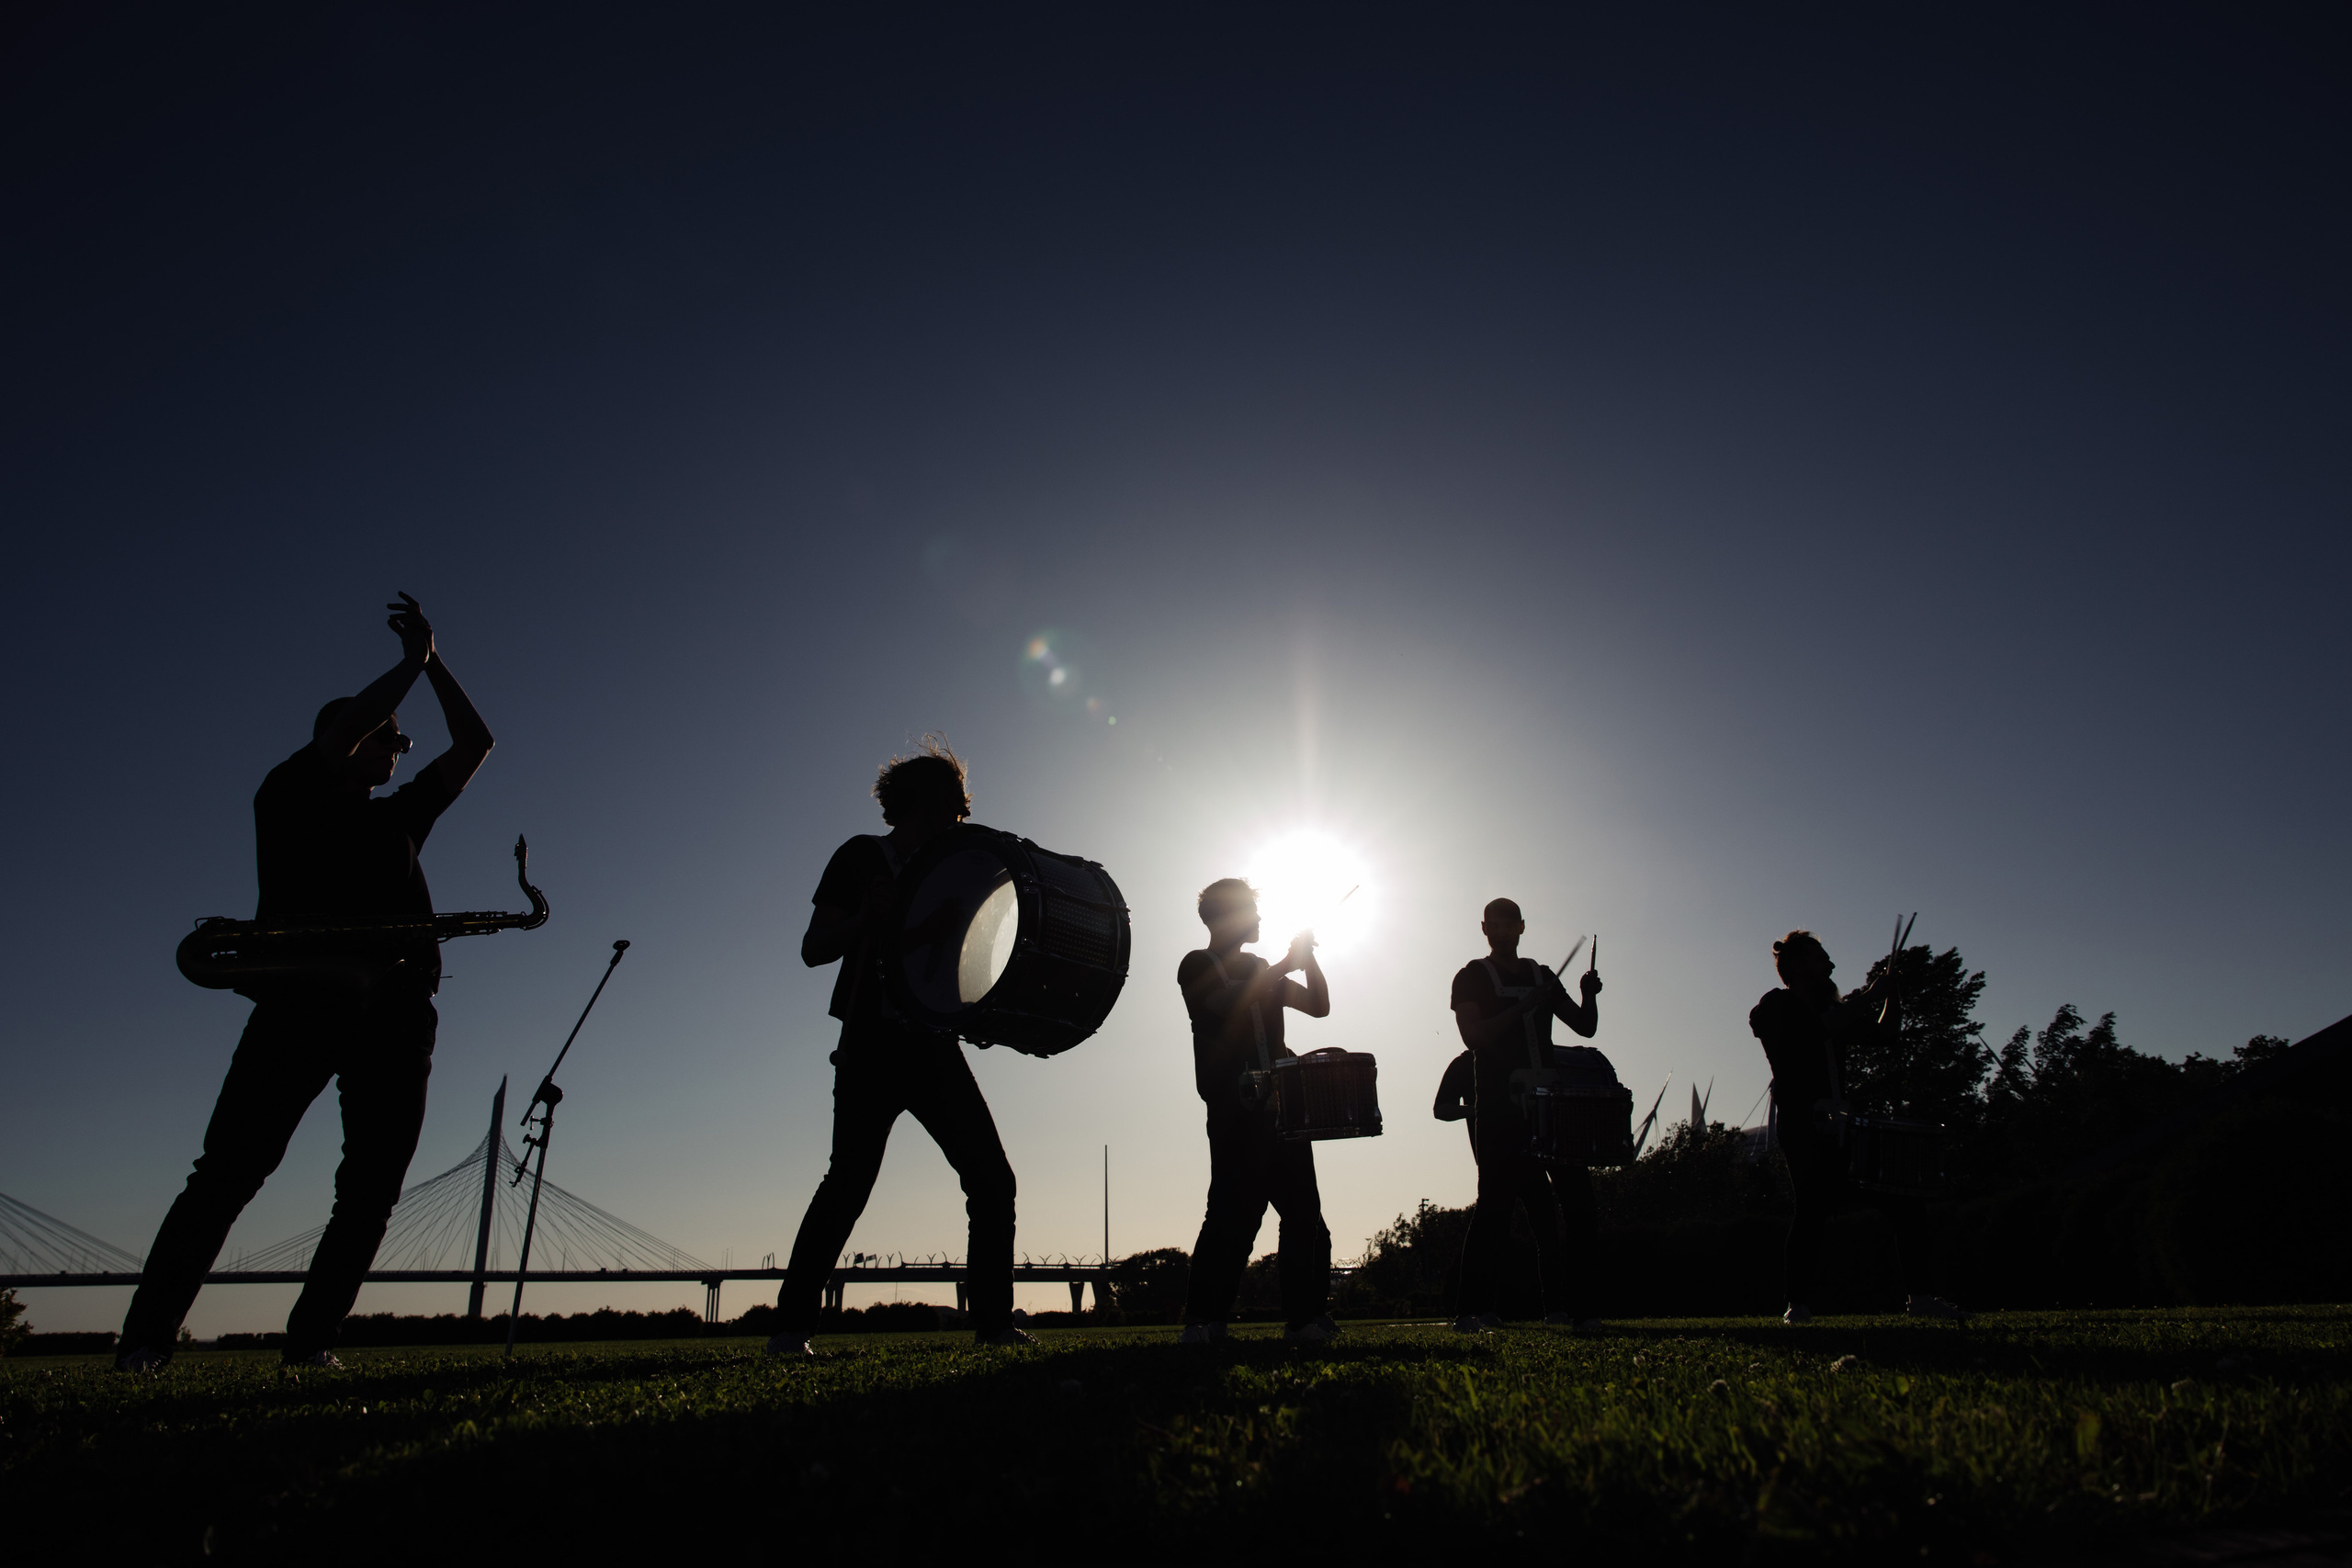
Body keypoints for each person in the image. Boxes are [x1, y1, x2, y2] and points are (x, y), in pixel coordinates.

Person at [117, 593, 495, 1371]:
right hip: (301, 1003)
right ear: (345, 737)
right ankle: (146, 1342)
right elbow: (352, 726)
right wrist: (408, 665)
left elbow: (476, 741)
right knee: (228, 1173)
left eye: (400, 737)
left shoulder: (399, 820)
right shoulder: (287, 794)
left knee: (369, 1191)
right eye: (388, 734)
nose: (399, 745)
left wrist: (437, 662)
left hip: (396, 1013)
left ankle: (312, 1341)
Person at [770, 739, 1029, 1356]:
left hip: (932, 1044)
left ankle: (994, 1326)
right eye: (953, 806)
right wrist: (868, 918)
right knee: (848, 1184)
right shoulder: (862, 856)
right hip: (872, 1041)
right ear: (928, 802)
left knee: (992, 1178)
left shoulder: (951, 871)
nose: (959, 819)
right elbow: (814, 947)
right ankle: (789, 1329)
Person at [1747, 930, 1962, 1324]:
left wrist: (1891, 992)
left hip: (1844, 1127)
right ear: (1796, 965)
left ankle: (1923, 1297)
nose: (1829, 965)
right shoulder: (1776, 1006)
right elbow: (1817, 1031)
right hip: (1803, 1127)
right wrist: (1868, 996)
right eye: (1820, 959)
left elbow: (1887, 1034)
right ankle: (1797, 1304)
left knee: (1904, 1201)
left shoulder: (1834, 1011)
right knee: (1811, 1209)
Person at [1175, 878, 1339, 1346]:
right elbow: (1227, 1003)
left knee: (1304, 1212)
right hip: (1234, 1105)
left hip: (1282, 1104)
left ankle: (1303, 1319)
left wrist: (1309, 962)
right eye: (1250, 909)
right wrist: (1288, 962)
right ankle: (1204, 1320)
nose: (1259, 919)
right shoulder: (1197, 964)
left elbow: (1319, 1006)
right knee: (1233, 1212)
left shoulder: (1262, 967)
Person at [1449, 898, 1605, 1332]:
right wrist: (1522, 1008)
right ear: (1484, 929)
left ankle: (1583, 1310)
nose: (1500, 932)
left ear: (1521, 928)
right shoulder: (1472, 976)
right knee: (1493, 1209)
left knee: (1579, 1206)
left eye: (1508, 924)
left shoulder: (1542, 975)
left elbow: (1585, 1027)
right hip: (1500, 1107)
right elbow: (1474, 1035)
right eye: (1493, 925)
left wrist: (1588, 996)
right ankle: (1469, 1310)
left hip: (1550, 1105)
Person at [1432, 1049, 1476, 1149]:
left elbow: (1440, 1110)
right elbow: (1440, 1110)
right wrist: (1477, 1110)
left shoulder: (1466, 1062)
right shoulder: (1466, 1062)